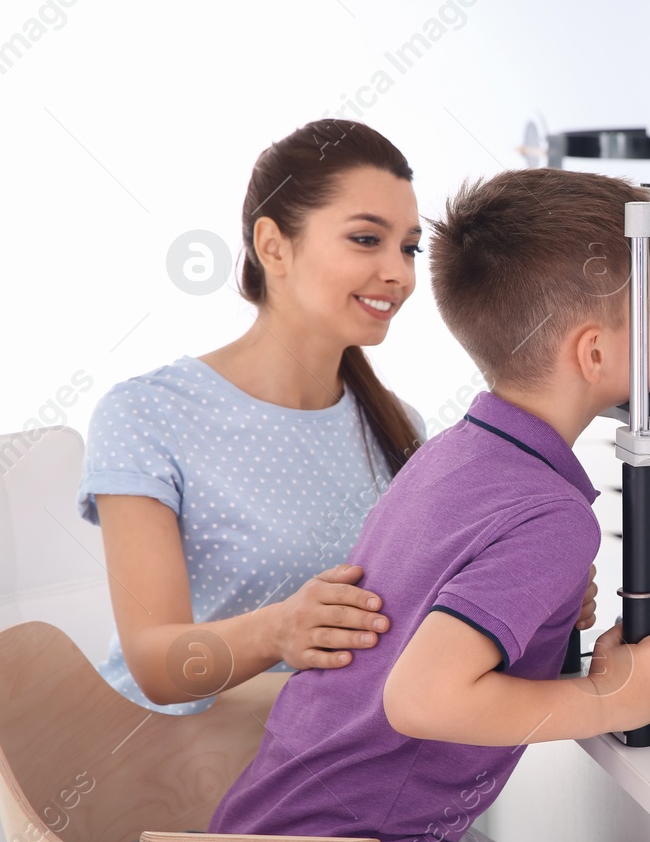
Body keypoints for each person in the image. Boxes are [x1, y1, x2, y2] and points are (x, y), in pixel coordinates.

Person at [208, 168, 650, 842]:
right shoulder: (549, 512)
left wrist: (543, 619)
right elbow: (421, 699)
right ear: (595, 352)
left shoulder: (460, 453)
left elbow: (431, 607)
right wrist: (614, 697)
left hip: (301, 828)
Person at [76, 119, 442, 714]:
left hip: (331, 769)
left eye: (409, 247)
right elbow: (157, 665)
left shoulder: (401, 429)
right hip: (169, 777)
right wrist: (278, 630)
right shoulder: (148, 415)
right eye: (366, 240)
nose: (400, 273)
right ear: (273, 245)